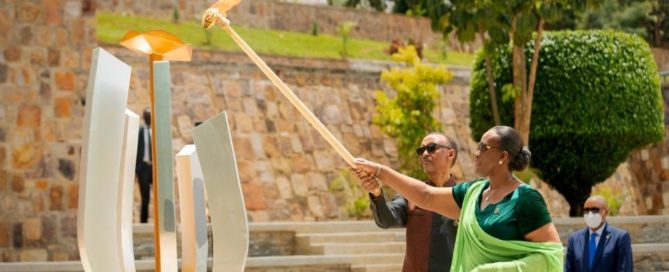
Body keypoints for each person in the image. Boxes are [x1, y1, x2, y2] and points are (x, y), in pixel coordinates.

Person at [355, 126, 563, 271]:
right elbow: (425, 196)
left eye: (483, 147)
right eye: (477, 146)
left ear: (503, 157)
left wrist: (494, 271)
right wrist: (379, 171)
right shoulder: (472, 192)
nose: (476, 153)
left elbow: (551, 256)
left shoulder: (526, 199)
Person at [363, 133, 458, 272]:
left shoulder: (464, 197)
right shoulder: (411, 195)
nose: (425, 154)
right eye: (421, 150)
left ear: (450, 154)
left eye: (432, 148)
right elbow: (387, 220)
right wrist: (376, 192)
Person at [564, 195, 633, 272]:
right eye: (586, 210)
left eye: (595, 210)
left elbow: (624, 269)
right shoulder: (574, 239)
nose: (590, 214)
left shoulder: (620, 237)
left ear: (606, 212)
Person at [135, 108, 153, 223]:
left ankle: (162, 222)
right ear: (143, 117)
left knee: (160, 196)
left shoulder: (155, 131)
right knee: (145, 197)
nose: (148, 118)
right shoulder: (140, 132)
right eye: (146, 115)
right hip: (144, 168)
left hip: (155, 168)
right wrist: (137, 170)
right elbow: (136, 150)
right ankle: (143, 221)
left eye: (150, 115)